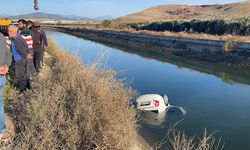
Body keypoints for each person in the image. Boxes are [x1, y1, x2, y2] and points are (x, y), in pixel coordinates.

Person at [8, 25, 32, 92]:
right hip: (20, 59)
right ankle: (28, 88)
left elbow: (22, 50)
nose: (8, 32)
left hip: (20, 60)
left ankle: (23, 90)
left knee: (21, 76)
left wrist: (26, 55)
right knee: (23, 74)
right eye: (8, 31)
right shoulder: (16, 38)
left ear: (15, 31)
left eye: (10, 31)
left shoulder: (17, 39)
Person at [0, 32, 12, 138]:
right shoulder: (2, 36)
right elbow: (8, 54)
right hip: (2, 77)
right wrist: (6, 65)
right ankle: (1, 129)